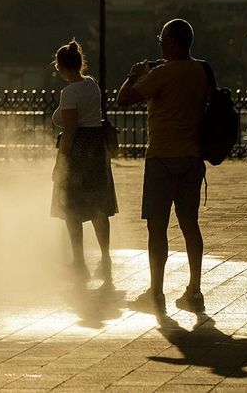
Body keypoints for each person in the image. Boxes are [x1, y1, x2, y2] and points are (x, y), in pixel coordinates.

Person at [116, 19, 210, 315]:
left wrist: (136, 74)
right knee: (189, 224)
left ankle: (156, 292)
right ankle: (194, 290)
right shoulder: (201, 71)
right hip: (193, 158)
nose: (159, 43)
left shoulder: (163, 74)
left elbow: (123, 100)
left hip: (162, 158)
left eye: (162, 39)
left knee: (157, 228)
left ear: (171, 42)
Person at [49, 39, 118, 284]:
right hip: (97, 148)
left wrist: (60, 163)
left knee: (73, 209)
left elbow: (69, 131)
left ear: (61, 67)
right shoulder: (91, 85)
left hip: (79, 151)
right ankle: (105, 257)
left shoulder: (70, 92)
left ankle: (79, 261)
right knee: (99, 206)